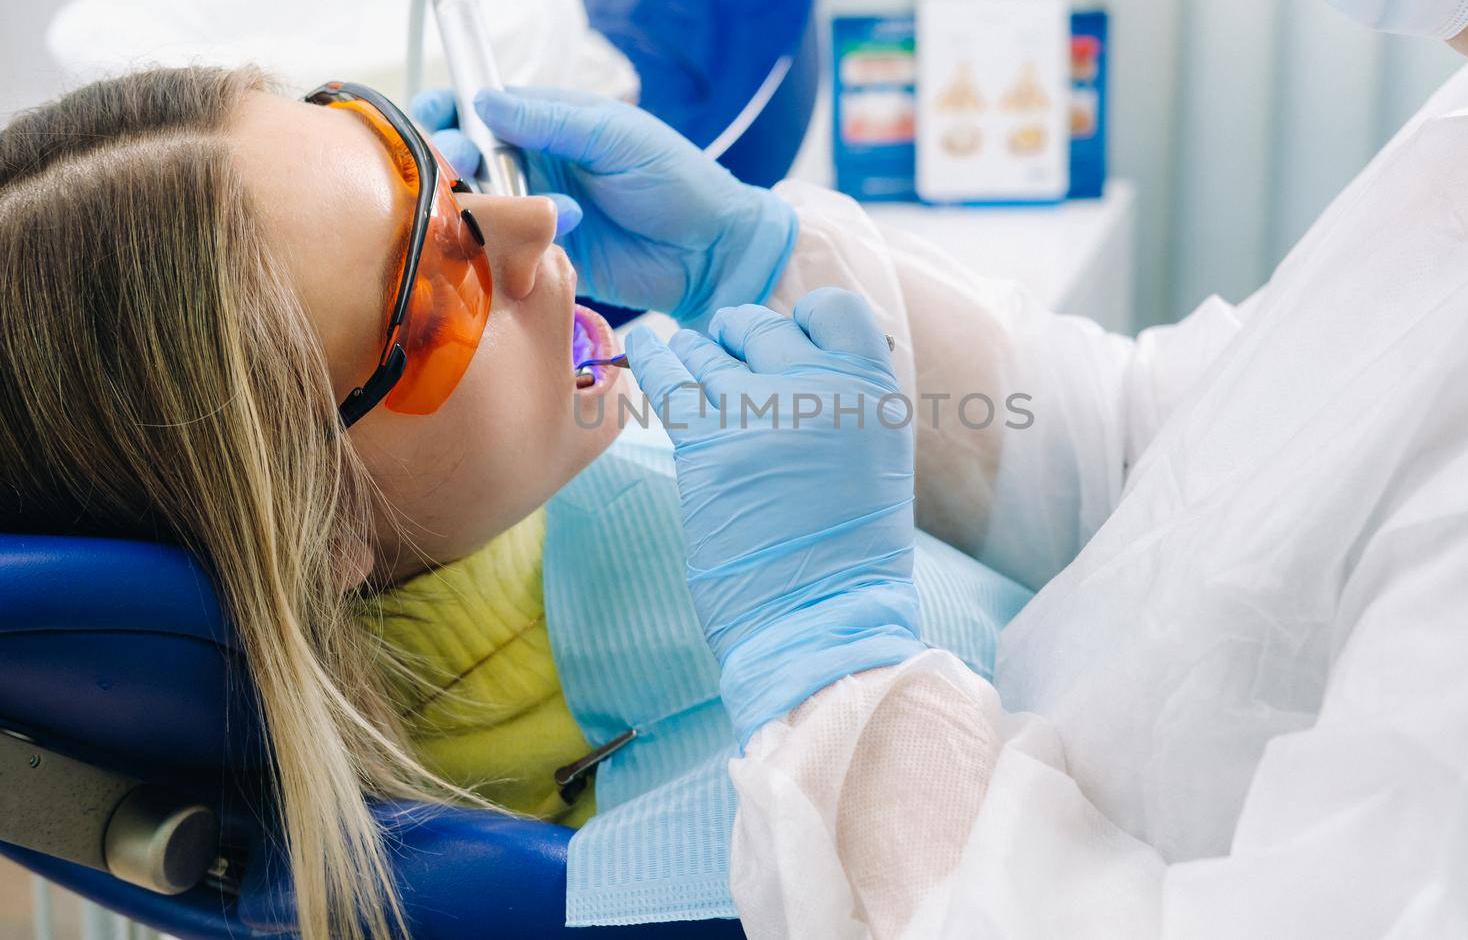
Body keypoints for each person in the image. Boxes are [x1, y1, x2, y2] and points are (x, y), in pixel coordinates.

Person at [411, 0, 1468, 935]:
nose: (515, 240)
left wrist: (836, 682)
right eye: (412, 306)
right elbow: (1188, 453)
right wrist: (764, 262)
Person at [0, 66, 1028, 936]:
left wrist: (769, 261)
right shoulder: (616, 850)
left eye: (437, 172)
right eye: (439, 288)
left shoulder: (532, 491)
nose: (534, 222)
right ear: (322, 531)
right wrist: (827, 657)